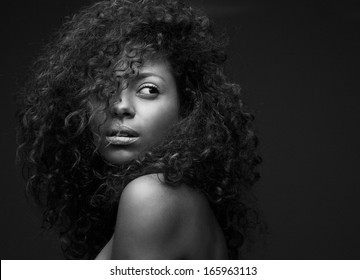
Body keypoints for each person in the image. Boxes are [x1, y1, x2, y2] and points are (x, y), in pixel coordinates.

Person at [16, 0, 263, 260]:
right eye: (105, 88)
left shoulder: (152, 195)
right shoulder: (172, 196)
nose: (120, 106)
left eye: (148, 89)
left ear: (187, 108)